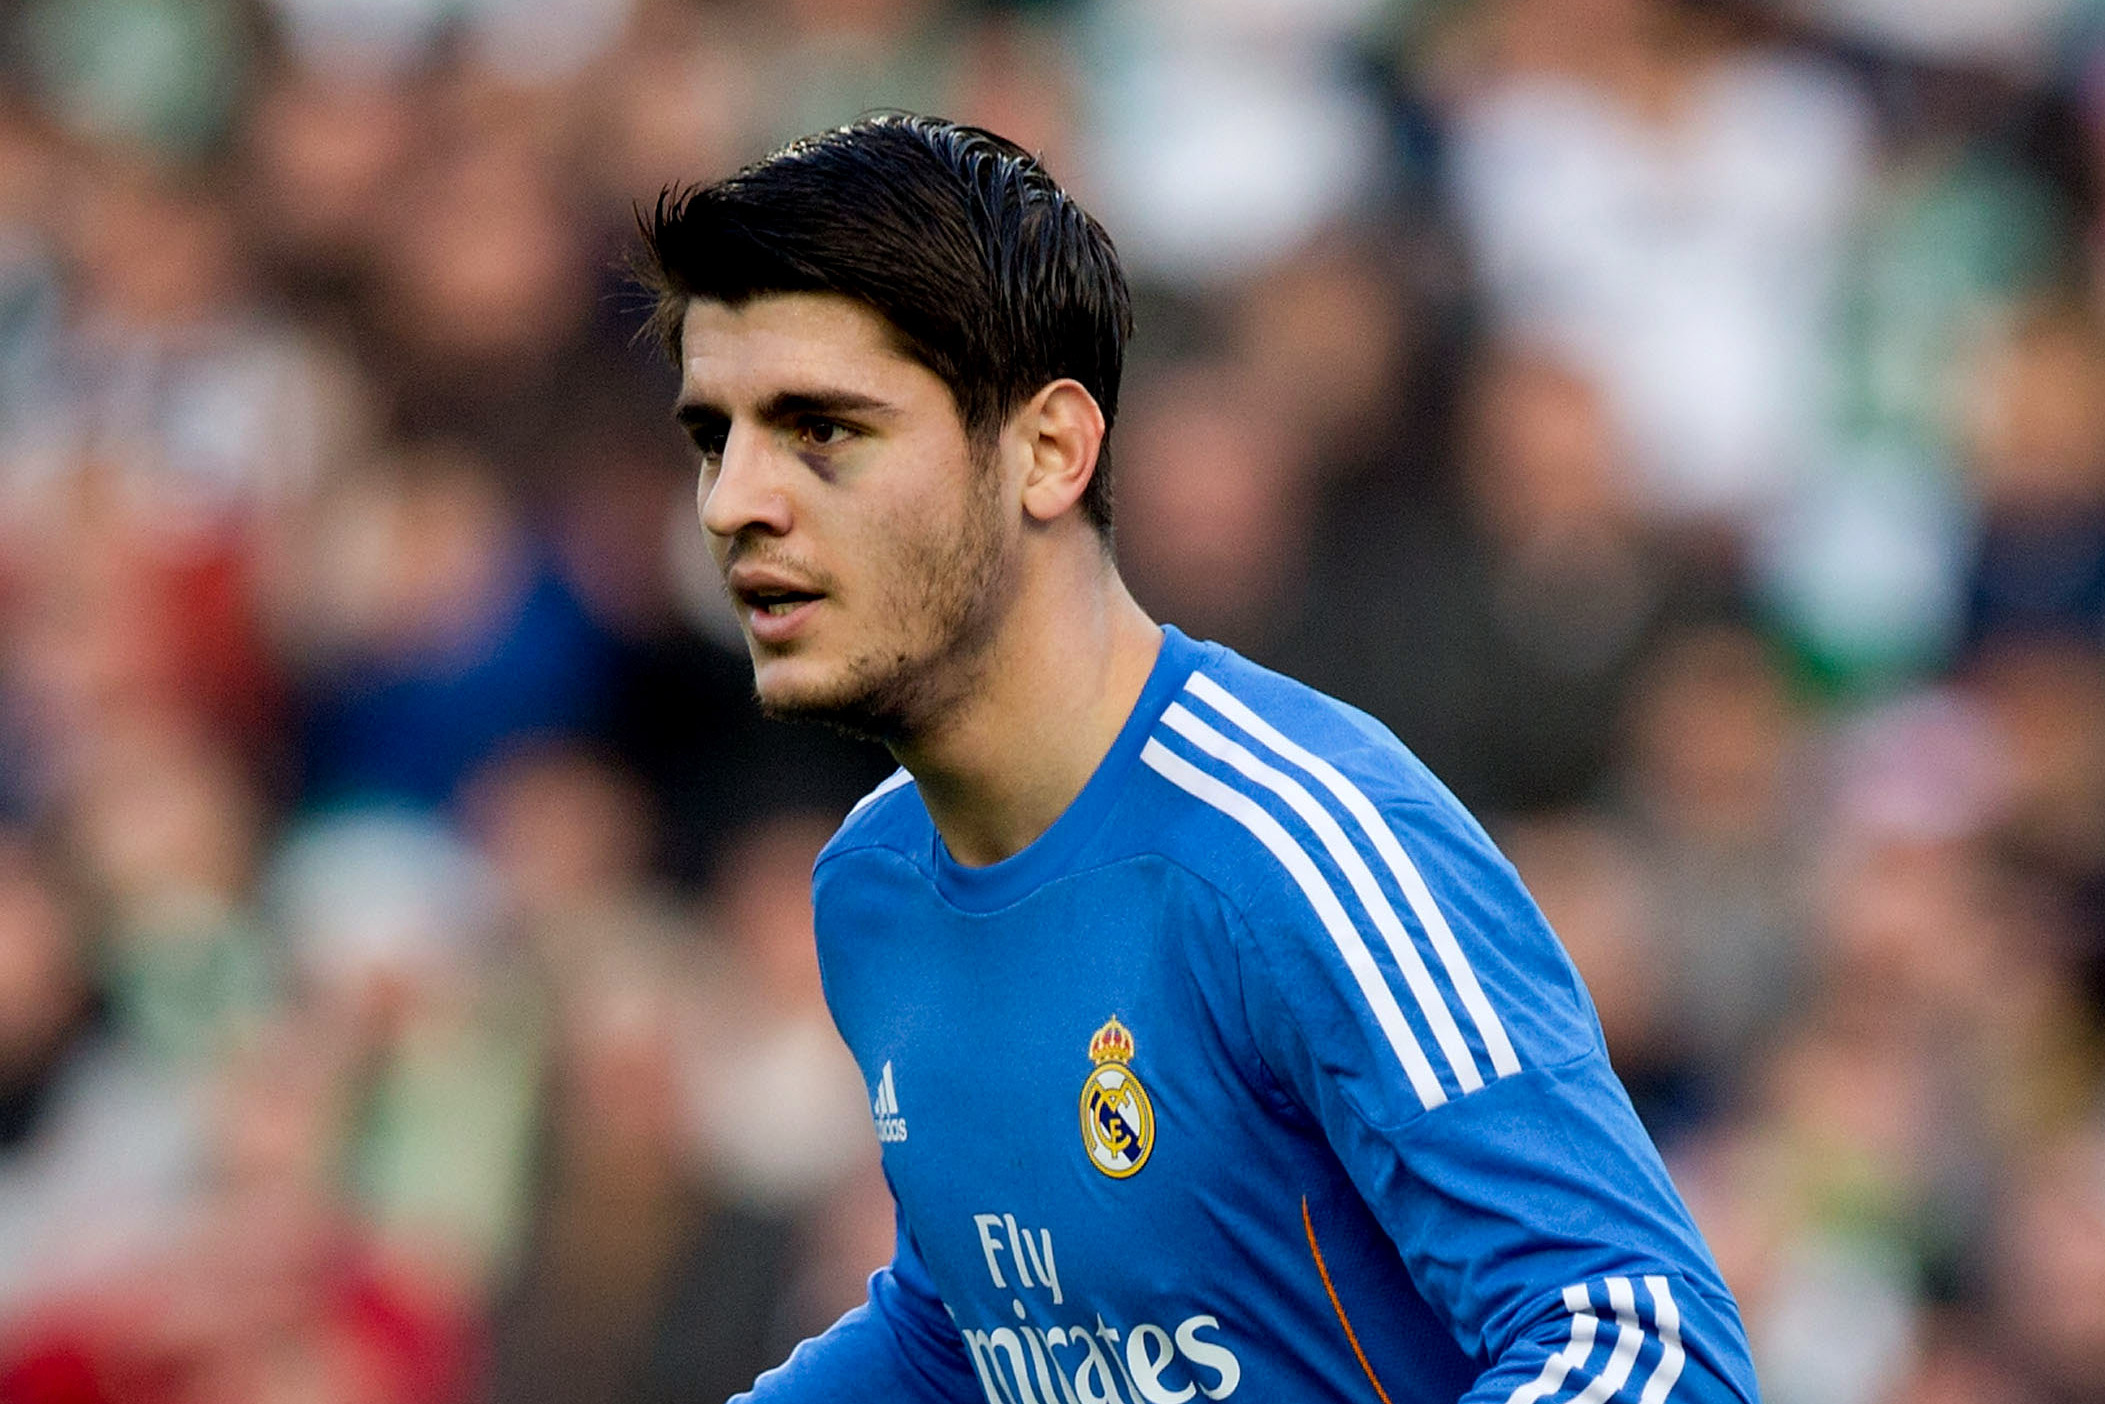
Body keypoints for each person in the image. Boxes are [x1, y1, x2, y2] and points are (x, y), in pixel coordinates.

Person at [637, 114, 1760, 1404]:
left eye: (820, 429)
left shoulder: (1295, 844)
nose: (734, 502)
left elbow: (1647, 1347)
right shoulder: (874, 887)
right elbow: (975, 1341)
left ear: (1050, 450)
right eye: (714, 437)